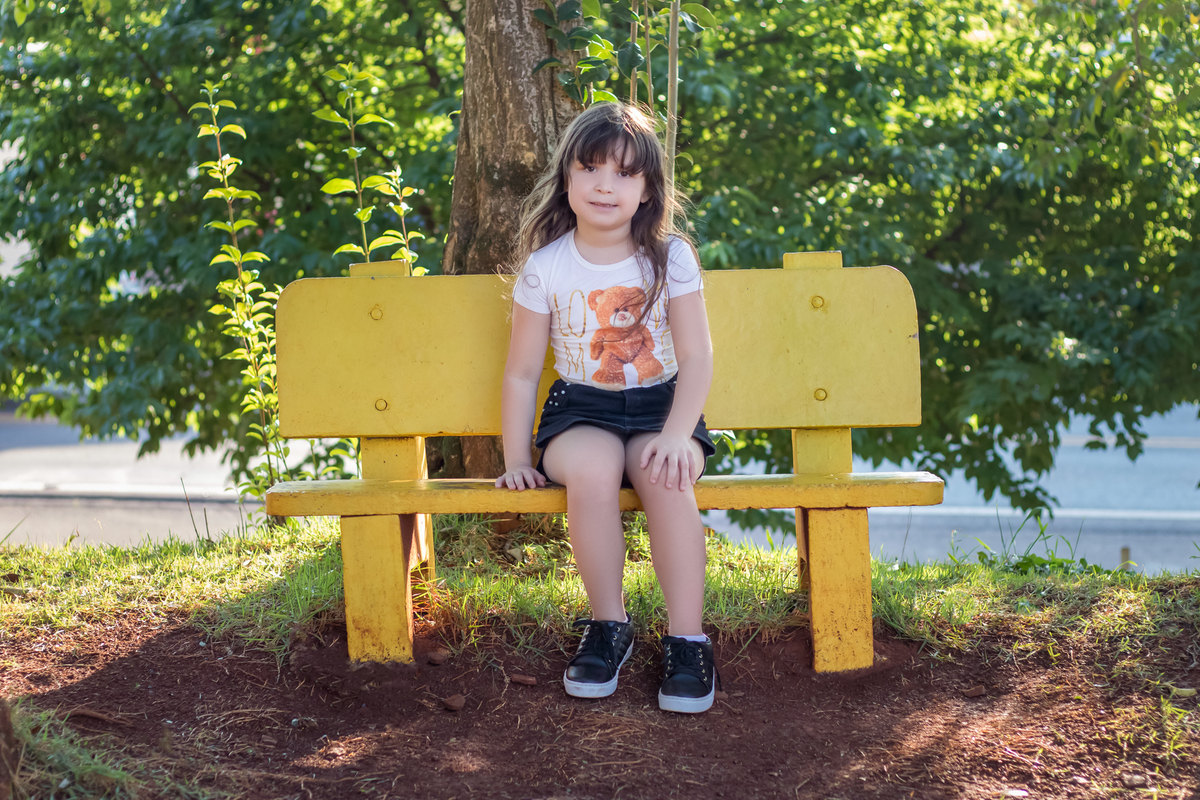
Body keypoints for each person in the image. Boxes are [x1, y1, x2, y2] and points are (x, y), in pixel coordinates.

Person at [494, 101, 718, 714]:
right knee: (590, 473)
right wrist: (517, 457)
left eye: (623, 174)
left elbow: (697, 360)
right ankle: (608, 625)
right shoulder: (546, 267)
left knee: (664, 475)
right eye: (590, 168)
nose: (603, 185)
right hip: (580, 410)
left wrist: (677, 436)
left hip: (661, 409)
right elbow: (520, 373)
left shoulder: (669, 259)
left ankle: (687, 639)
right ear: (566, 178)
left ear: (647, 191)